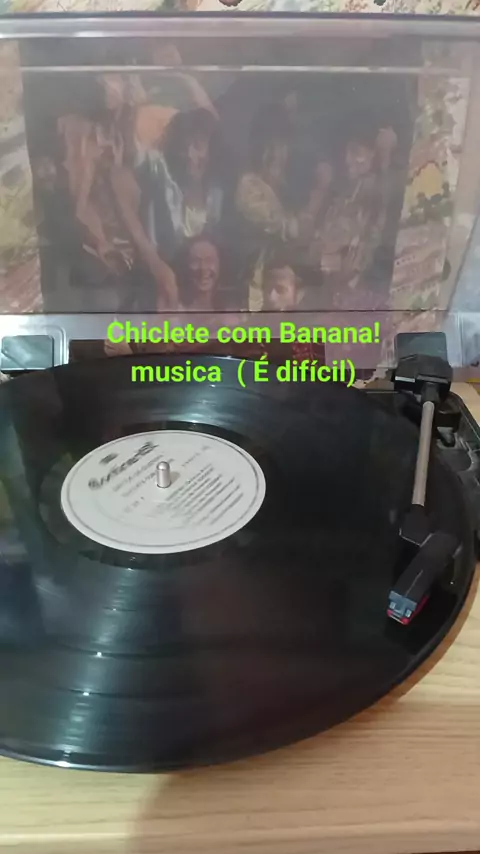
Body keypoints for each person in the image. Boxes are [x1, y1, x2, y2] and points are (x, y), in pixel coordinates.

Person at [233, 105, 332, 311]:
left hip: (292, 288)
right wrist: (319, 191)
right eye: (271, 144)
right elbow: (295, 232)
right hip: (261, 289)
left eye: (282, 144)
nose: (278, 152)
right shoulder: (249, 187)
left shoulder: (286, 185)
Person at [309, 123, 397, 309]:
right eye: (347, 152)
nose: (348, 160)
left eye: (356, 152)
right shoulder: (344, 192)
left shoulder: (377, 189)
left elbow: (373, 234)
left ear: (374, 153)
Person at [136, 108, 225, 265]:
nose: (189, 155)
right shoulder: (161, 176)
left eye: (198, 146)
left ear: (212, 151)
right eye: (183, 147)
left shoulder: (218, 192)